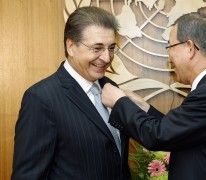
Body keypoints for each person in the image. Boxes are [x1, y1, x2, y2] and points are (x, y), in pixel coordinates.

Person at [102, 12, 206, 179]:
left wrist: (118, 102)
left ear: (189, 47)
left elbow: (158, 136)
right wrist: (144, 107)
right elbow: (181, 131)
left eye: (171, 47)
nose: (169, 56)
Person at [12, 6, 130, 180]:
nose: (107, 58)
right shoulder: (41, 98)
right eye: (97, 48)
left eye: (111, 48)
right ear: (71, 46)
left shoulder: (111, 87)